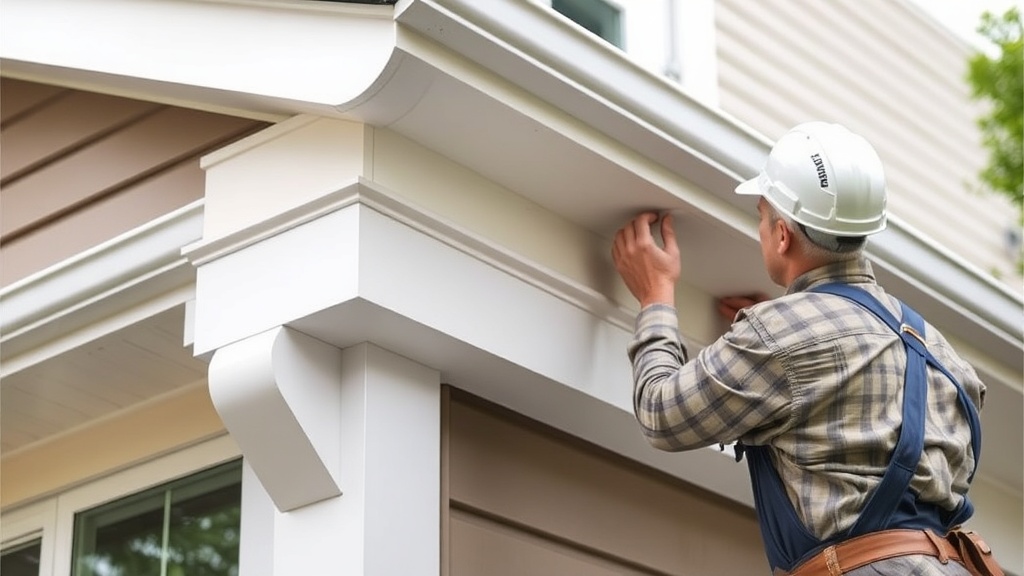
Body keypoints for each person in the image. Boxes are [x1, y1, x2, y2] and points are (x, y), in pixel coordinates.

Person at [611, 122, 1003, 575]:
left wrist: (655, 296)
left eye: (761, 215)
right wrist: (776, 344)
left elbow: (662, 415)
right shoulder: (946, 357)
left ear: (782, 235)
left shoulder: (779, 337)